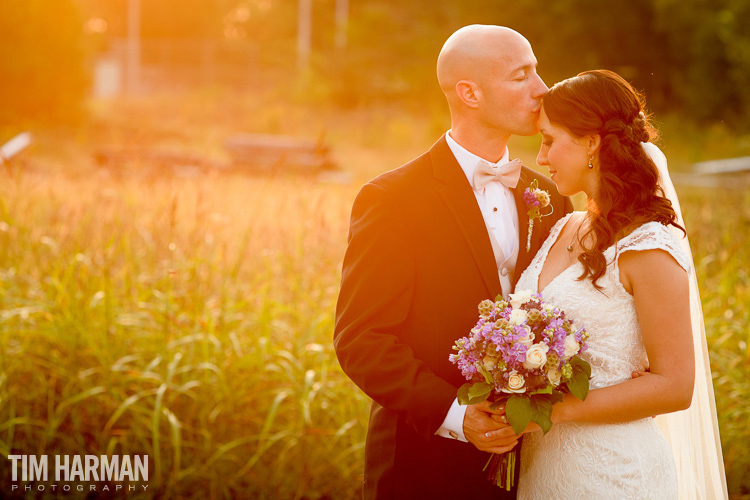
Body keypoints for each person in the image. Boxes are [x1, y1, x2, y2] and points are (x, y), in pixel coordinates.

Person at [333, 25, 572, 499]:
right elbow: (361, 339)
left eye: (538, 71)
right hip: (423, 465)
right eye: (522, 75)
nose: (542, 89)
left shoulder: (549, 197)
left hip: (536, 459)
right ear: (470, 92)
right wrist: (459, 417)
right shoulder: (393, 199)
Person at [496, 69, 728, 499]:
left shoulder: (648, 246)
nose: (541, 158)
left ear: (591, 142)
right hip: (544, 468)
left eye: (549, 140)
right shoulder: (563, 226)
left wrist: (552, 411)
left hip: (615, 475)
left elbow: (676, 386)